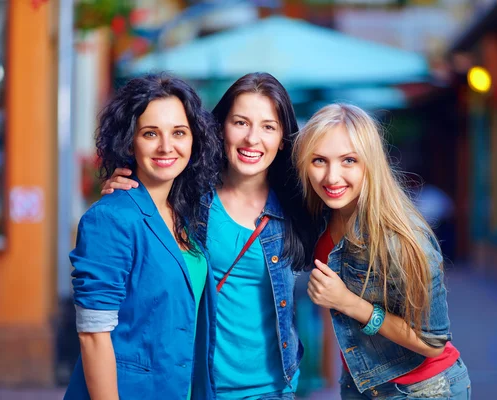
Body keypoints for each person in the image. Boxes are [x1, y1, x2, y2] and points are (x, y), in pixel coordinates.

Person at [101, 72, 314, 399]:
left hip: (274, 390)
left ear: (283, 137)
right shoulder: (186, 196)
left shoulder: (299, 203)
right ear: (220, 127)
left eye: (268, 127)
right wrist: (125, 191)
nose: (252, 139)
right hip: (198, 387)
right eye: (240, 123)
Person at [292, 103, 471, 399]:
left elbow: (433, 341)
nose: (332, 177)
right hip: (360, 384)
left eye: (348, 160)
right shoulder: (320, 218)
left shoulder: (401, 237)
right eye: (319, 160)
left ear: (369, 163)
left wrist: (349, 303)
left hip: (423, 389)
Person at [63, 74, 222, 400]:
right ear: (129, 141)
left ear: (194, 140)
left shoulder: (186, 213)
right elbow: (94, 335)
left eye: (179, 132)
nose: (167, 146)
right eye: (151, 133)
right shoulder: (109, 218)